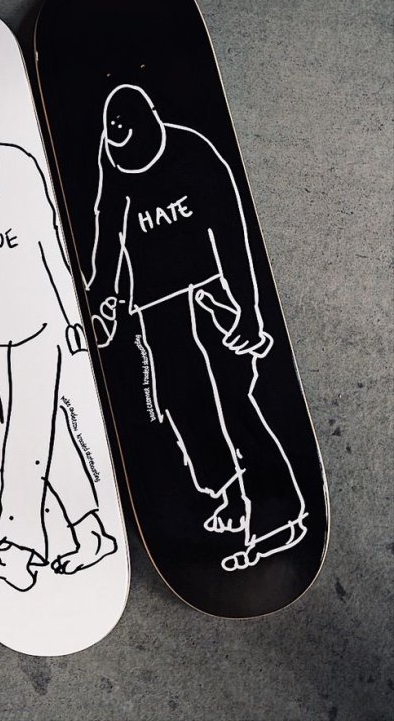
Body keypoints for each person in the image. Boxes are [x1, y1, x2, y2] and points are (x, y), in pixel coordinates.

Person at [87, 85, 306, 571]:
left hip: (210, 288)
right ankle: (231, 489)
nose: (126, 160)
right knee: (180, 402)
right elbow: (110, 225)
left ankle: (275, 513)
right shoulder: (112, 154)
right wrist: (102, 294)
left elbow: (231, 232)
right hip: (154, 299)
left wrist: (248, 308)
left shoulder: (194, 152)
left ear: (152, 124)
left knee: (231, 397)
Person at [0, 117, 116, 590]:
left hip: (39, 323)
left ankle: (17, 549)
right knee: (46, 432)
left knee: (26, 432)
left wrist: (72, 315)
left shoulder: (20, 170)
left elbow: (50, 244)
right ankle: (91, 535)